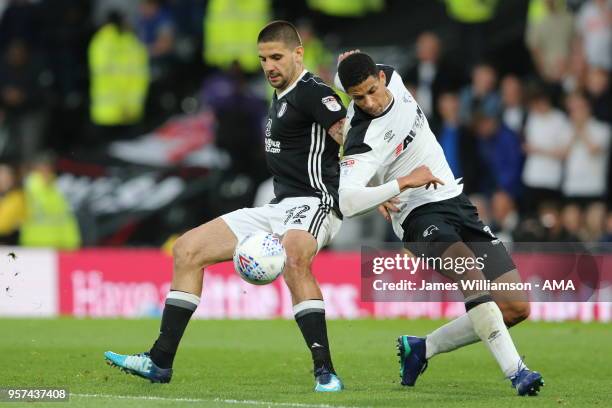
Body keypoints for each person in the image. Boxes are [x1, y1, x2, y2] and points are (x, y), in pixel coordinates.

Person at [104, 20, 348, 392]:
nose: (269, 66)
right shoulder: (280, 94)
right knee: (187, 249)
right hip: (277, 205)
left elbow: (346, 135)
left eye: (277, 57)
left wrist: (381, 183)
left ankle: (325, 371)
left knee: (295, 258)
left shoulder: (315, 93)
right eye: (263, 58)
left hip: (315, 202)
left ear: (299, 54)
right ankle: (159, 361)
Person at [335, 51, 543, 396]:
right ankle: (517, 372)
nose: (369, 102)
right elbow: (347, 200)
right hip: (418, 216)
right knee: (471, 275)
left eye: (372, 90)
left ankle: (422, 348)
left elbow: (356, 68)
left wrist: (350, 60)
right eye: (358, 97)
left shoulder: (394, 76)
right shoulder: (362, 133)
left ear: (382, 77)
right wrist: (398, 185)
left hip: (456, 201)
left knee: (515, 306)